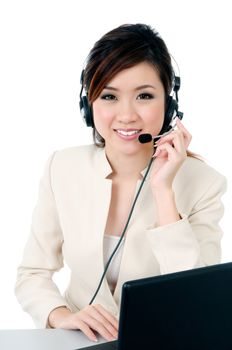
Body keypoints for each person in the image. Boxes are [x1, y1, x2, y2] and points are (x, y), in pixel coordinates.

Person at [15, 23, 226, 342]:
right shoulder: (62, 167)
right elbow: (32, 274)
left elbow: (196, 301)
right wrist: (62, 317)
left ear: (169, 105)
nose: (126, 115)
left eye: (144, 95)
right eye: (109, 96)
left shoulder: (204, 184)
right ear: (89, 107)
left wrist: (163, 192)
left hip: (160, 341)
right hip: (79, 342)